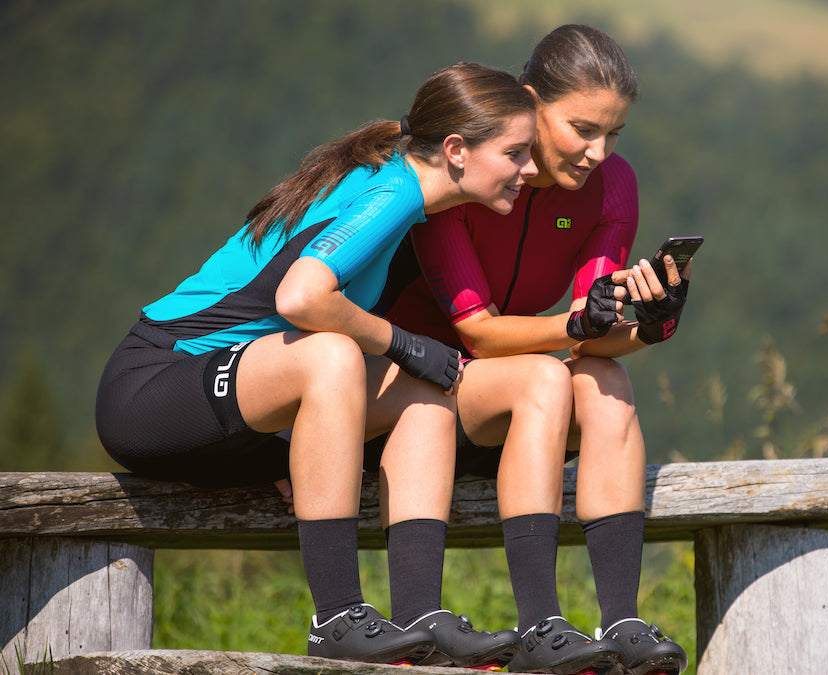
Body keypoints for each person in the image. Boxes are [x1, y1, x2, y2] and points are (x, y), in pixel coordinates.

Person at [95, 62, 538, 669]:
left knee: (423, 394)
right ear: (457, 150)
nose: (530, 170)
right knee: (335, 355)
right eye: (516, 153)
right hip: (151, 388)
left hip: (233, 406)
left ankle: (421, 619)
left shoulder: (403, 196)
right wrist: (404, 343)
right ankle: (336, 619)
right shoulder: (393, 191)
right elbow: (301, 300)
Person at [384, 25, 691, 675]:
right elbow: (479, 332)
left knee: (604, 377)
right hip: (417, 393)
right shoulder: (475, 169)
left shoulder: (613, 188)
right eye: (581, 128)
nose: (598, 152)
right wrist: (576, 328)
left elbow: (589, 323)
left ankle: (621, 620)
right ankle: (539, 624)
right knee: (546, 379)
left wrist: (649, 325)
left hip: (515, 406)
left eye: (613, 135)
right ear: (529, 102)